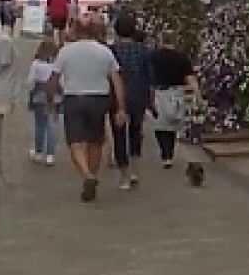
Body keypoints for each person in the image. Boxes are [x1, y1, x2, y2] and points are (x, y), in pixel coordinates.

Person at [46, 17, 125, 203]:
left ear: (76, 31)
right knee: (96, 141)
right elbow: (117, 81)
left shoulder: (66, 52)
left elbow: (54, 78)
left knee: (75, 142)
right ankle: (93, 173)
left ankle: (87, 174)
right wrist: (121, 107)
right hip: (99, 99)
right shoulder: (104, 52)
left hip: (74, 99)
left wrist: (50, 100)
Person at [107, 14, 153, 189]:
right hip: (138, 94)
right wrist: (150, 98)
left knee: (119, 135)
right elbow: (149, 75)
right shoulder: (143, 50)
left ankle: (124, 175)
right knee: (135, 131)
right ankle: (135, 169)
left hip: (116, 96)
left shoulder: (111, 50)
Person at [148, 31, 198, 170]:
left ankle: (165, 154)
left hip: (159, 91)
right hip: (177, 93)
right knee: (173, 123)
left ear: (161, 40)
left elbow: (148, 75)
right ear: (174, 41)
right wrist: (197, 94)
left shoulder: (153, 57)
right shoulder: (182, 58)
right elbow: (190, 78)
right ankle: (169, 152)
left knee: (160, 125)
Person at [26, 38, 59, 166]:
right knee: (52, 125)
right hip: (54, 94)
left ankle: (39, 152)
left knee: (40, 125)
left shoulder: (36, 64)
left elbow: (30, 81)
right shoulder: (56, 64)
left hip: (39, 94)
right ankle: (50, 154)